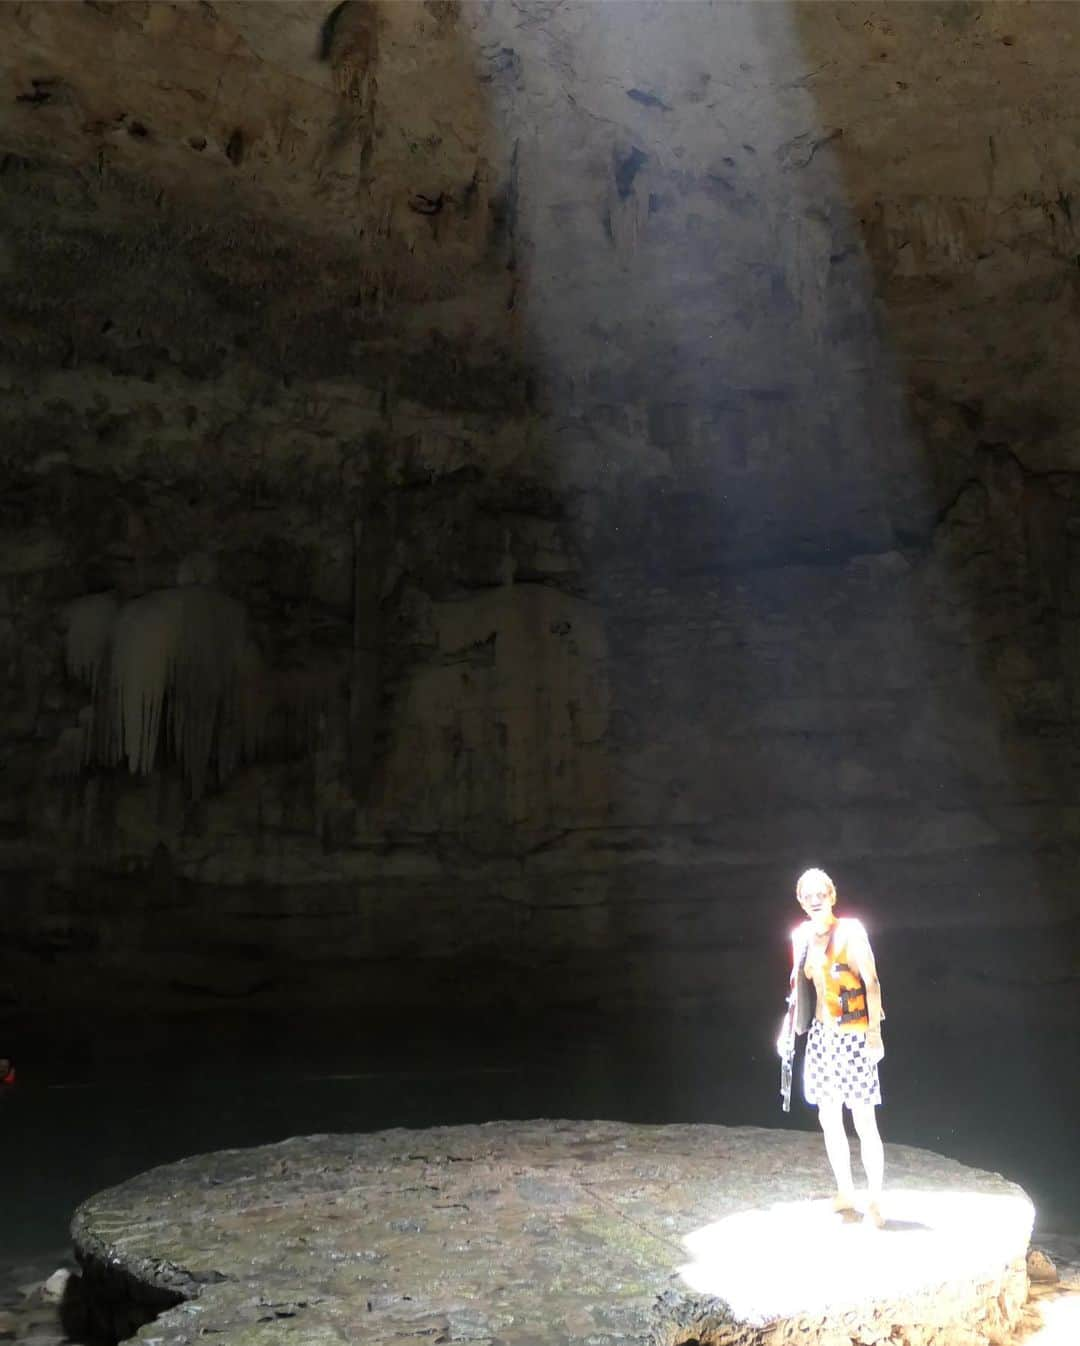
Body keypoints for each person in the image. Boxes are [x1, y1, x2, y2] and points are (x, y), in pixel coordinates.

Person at [779, 867, 885, 1227]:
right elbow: (799, 993)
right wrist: (789, 1032)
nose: (813, 900)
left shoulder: (851, 931)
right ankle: (846, 1190)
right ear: (800, 900)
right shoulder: (801, 936)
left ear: (831, 896)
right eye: (806, 895)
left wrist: (874, 1034)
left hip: (854, 1034)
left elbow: (870, 981)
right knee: (828, 1115)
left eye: (819, 894)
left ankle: (875, 1198)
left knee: (863, 1117)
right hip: (822, 1037)